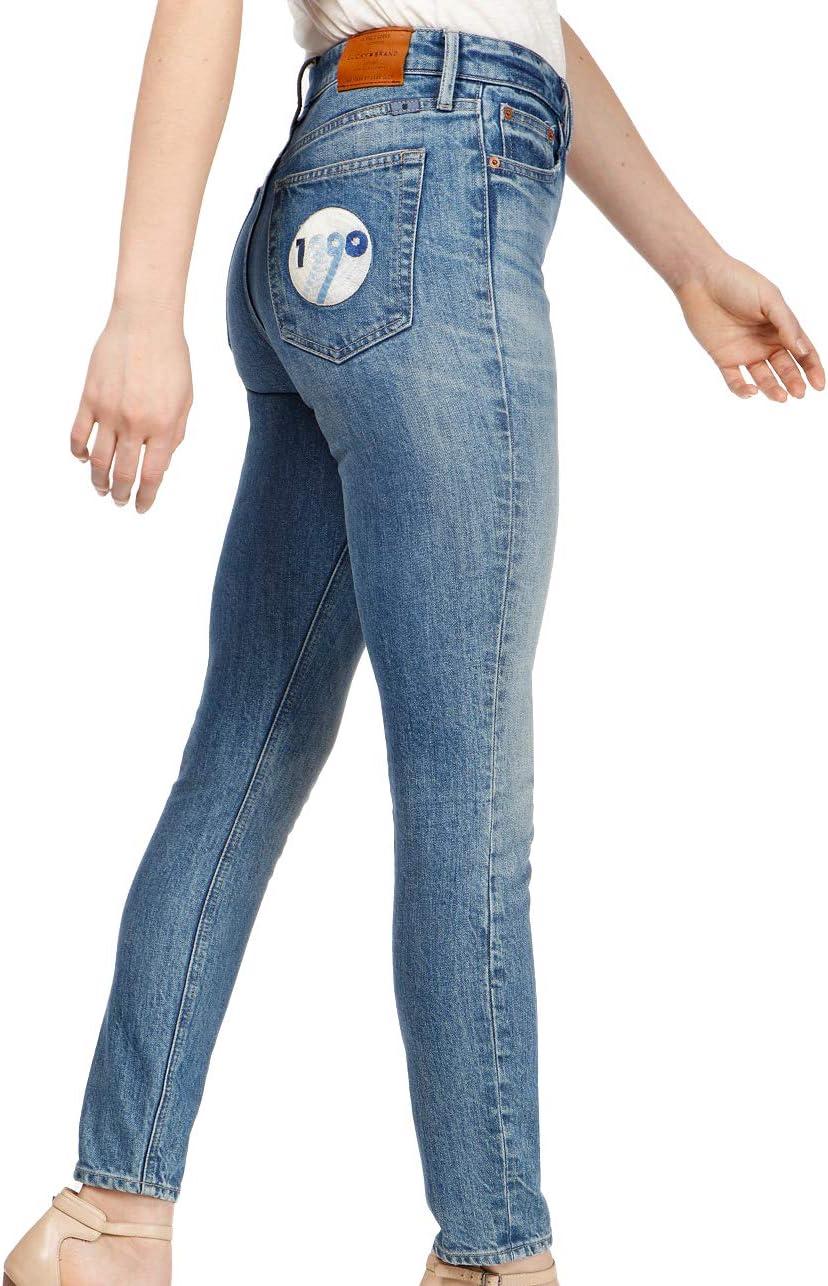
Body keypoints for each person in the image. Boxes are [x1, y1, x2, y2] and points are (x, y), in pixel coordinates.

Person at [4, 3, 823, 1285]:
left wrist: (688, 261)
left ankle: (105, 1220)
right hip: (438, 205)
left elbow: (528, 27)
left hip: (342, 201)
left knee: (246, 755)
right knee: (466, 798)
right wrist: (140, 307)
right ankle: (495, 1256)